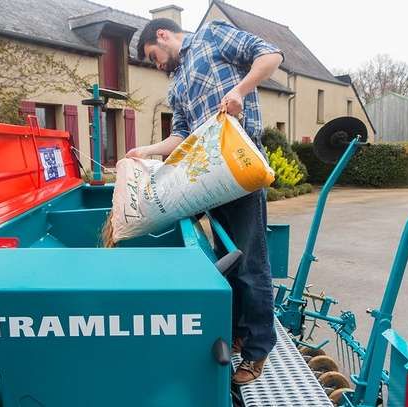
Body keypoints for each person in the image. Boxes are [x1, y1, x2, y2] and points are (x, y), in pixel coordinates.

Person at [128, 18, 284, 385]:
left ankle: (259, 349)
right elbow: (180, 136)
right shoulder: (178, 83)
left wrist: (241, 91)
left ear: (163, 36)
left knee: (251, 263)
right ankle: (238, 332)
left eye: (153, 56)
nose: (157, 64)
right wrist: (145, 151)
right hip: (209, 181)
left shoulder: (212, 35)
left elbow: (271, 55)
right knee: (228, 261)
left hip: (240, 169)